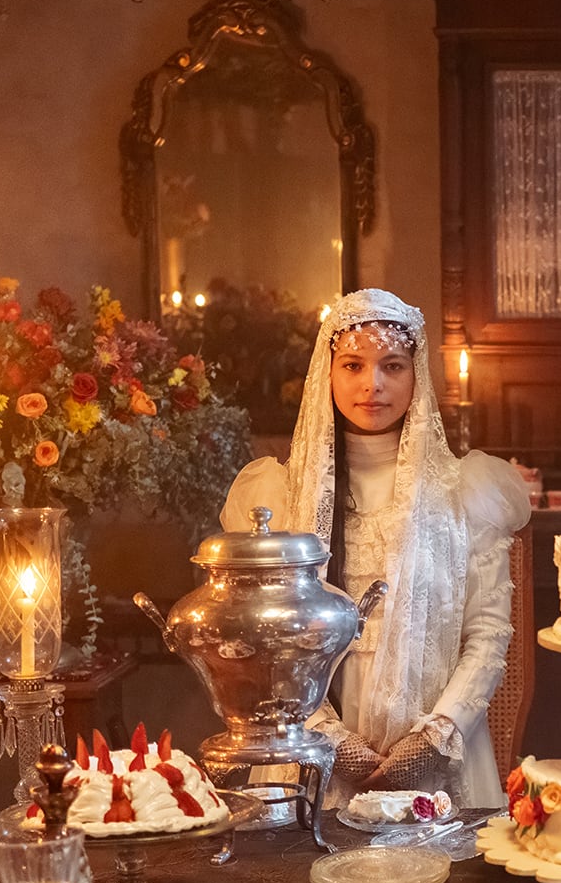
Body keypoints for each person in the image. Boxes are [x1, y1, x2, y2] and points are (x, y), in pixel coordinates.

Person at [220, 288, 531, 806]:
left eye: (392, 365)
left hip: (440, 756)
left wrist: (434, 737)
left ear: (417, 375)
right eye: (353, 366)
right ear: (328, 374)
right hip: (306, 750)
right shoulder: (279, 497)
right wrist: (328, 737)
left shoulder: (466, 493)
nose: (373, 385)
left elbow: (488, 633)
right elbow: (266, 640)